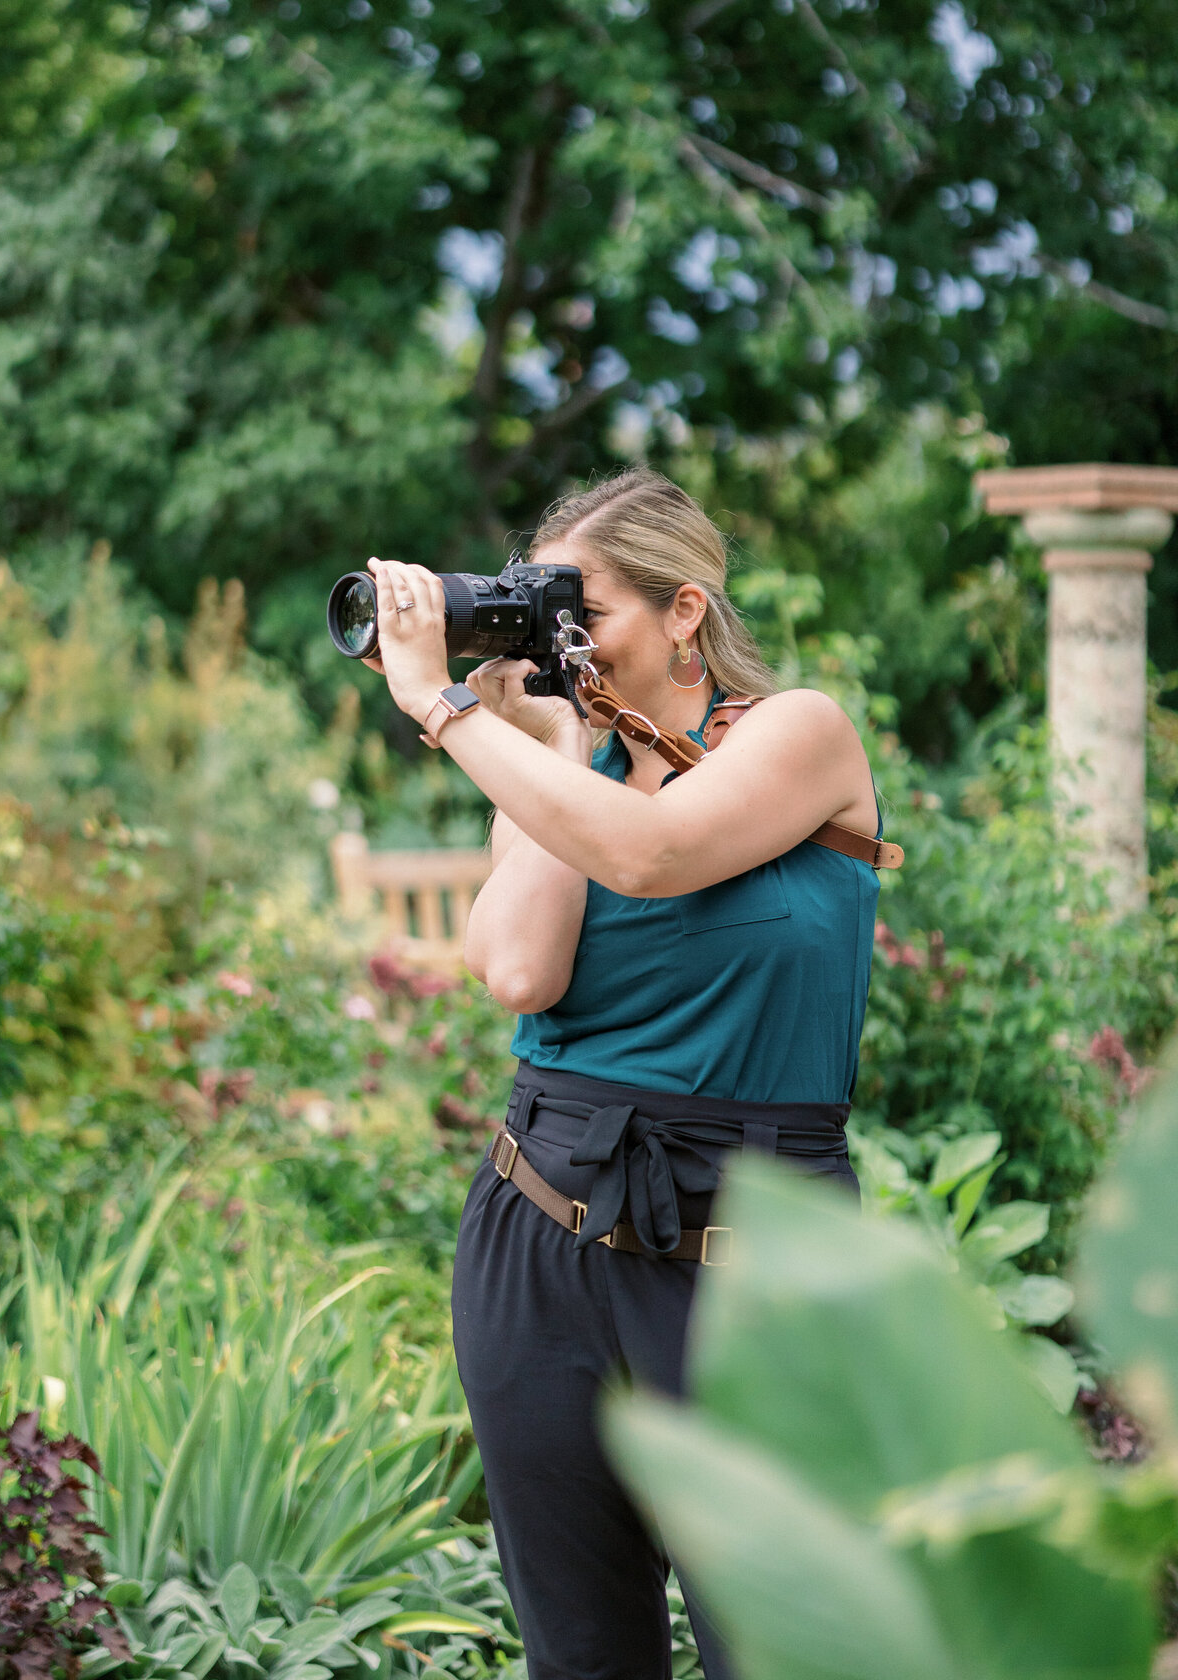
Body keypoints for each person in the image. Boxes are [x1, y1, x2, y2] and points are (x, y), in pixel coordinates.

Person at [362, 467, 884, 1680]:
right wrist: (556, 737)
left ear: (685, 612)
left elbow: (652, 857)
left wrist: (443, 709)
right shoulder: (569, 775)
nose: (559, 634)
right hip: (541, 1232)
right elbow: (518, 974)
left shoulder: (797, 734)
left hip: (751, 1257)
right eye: (538, 605)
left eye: (578, 605)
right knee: (583, 1655)